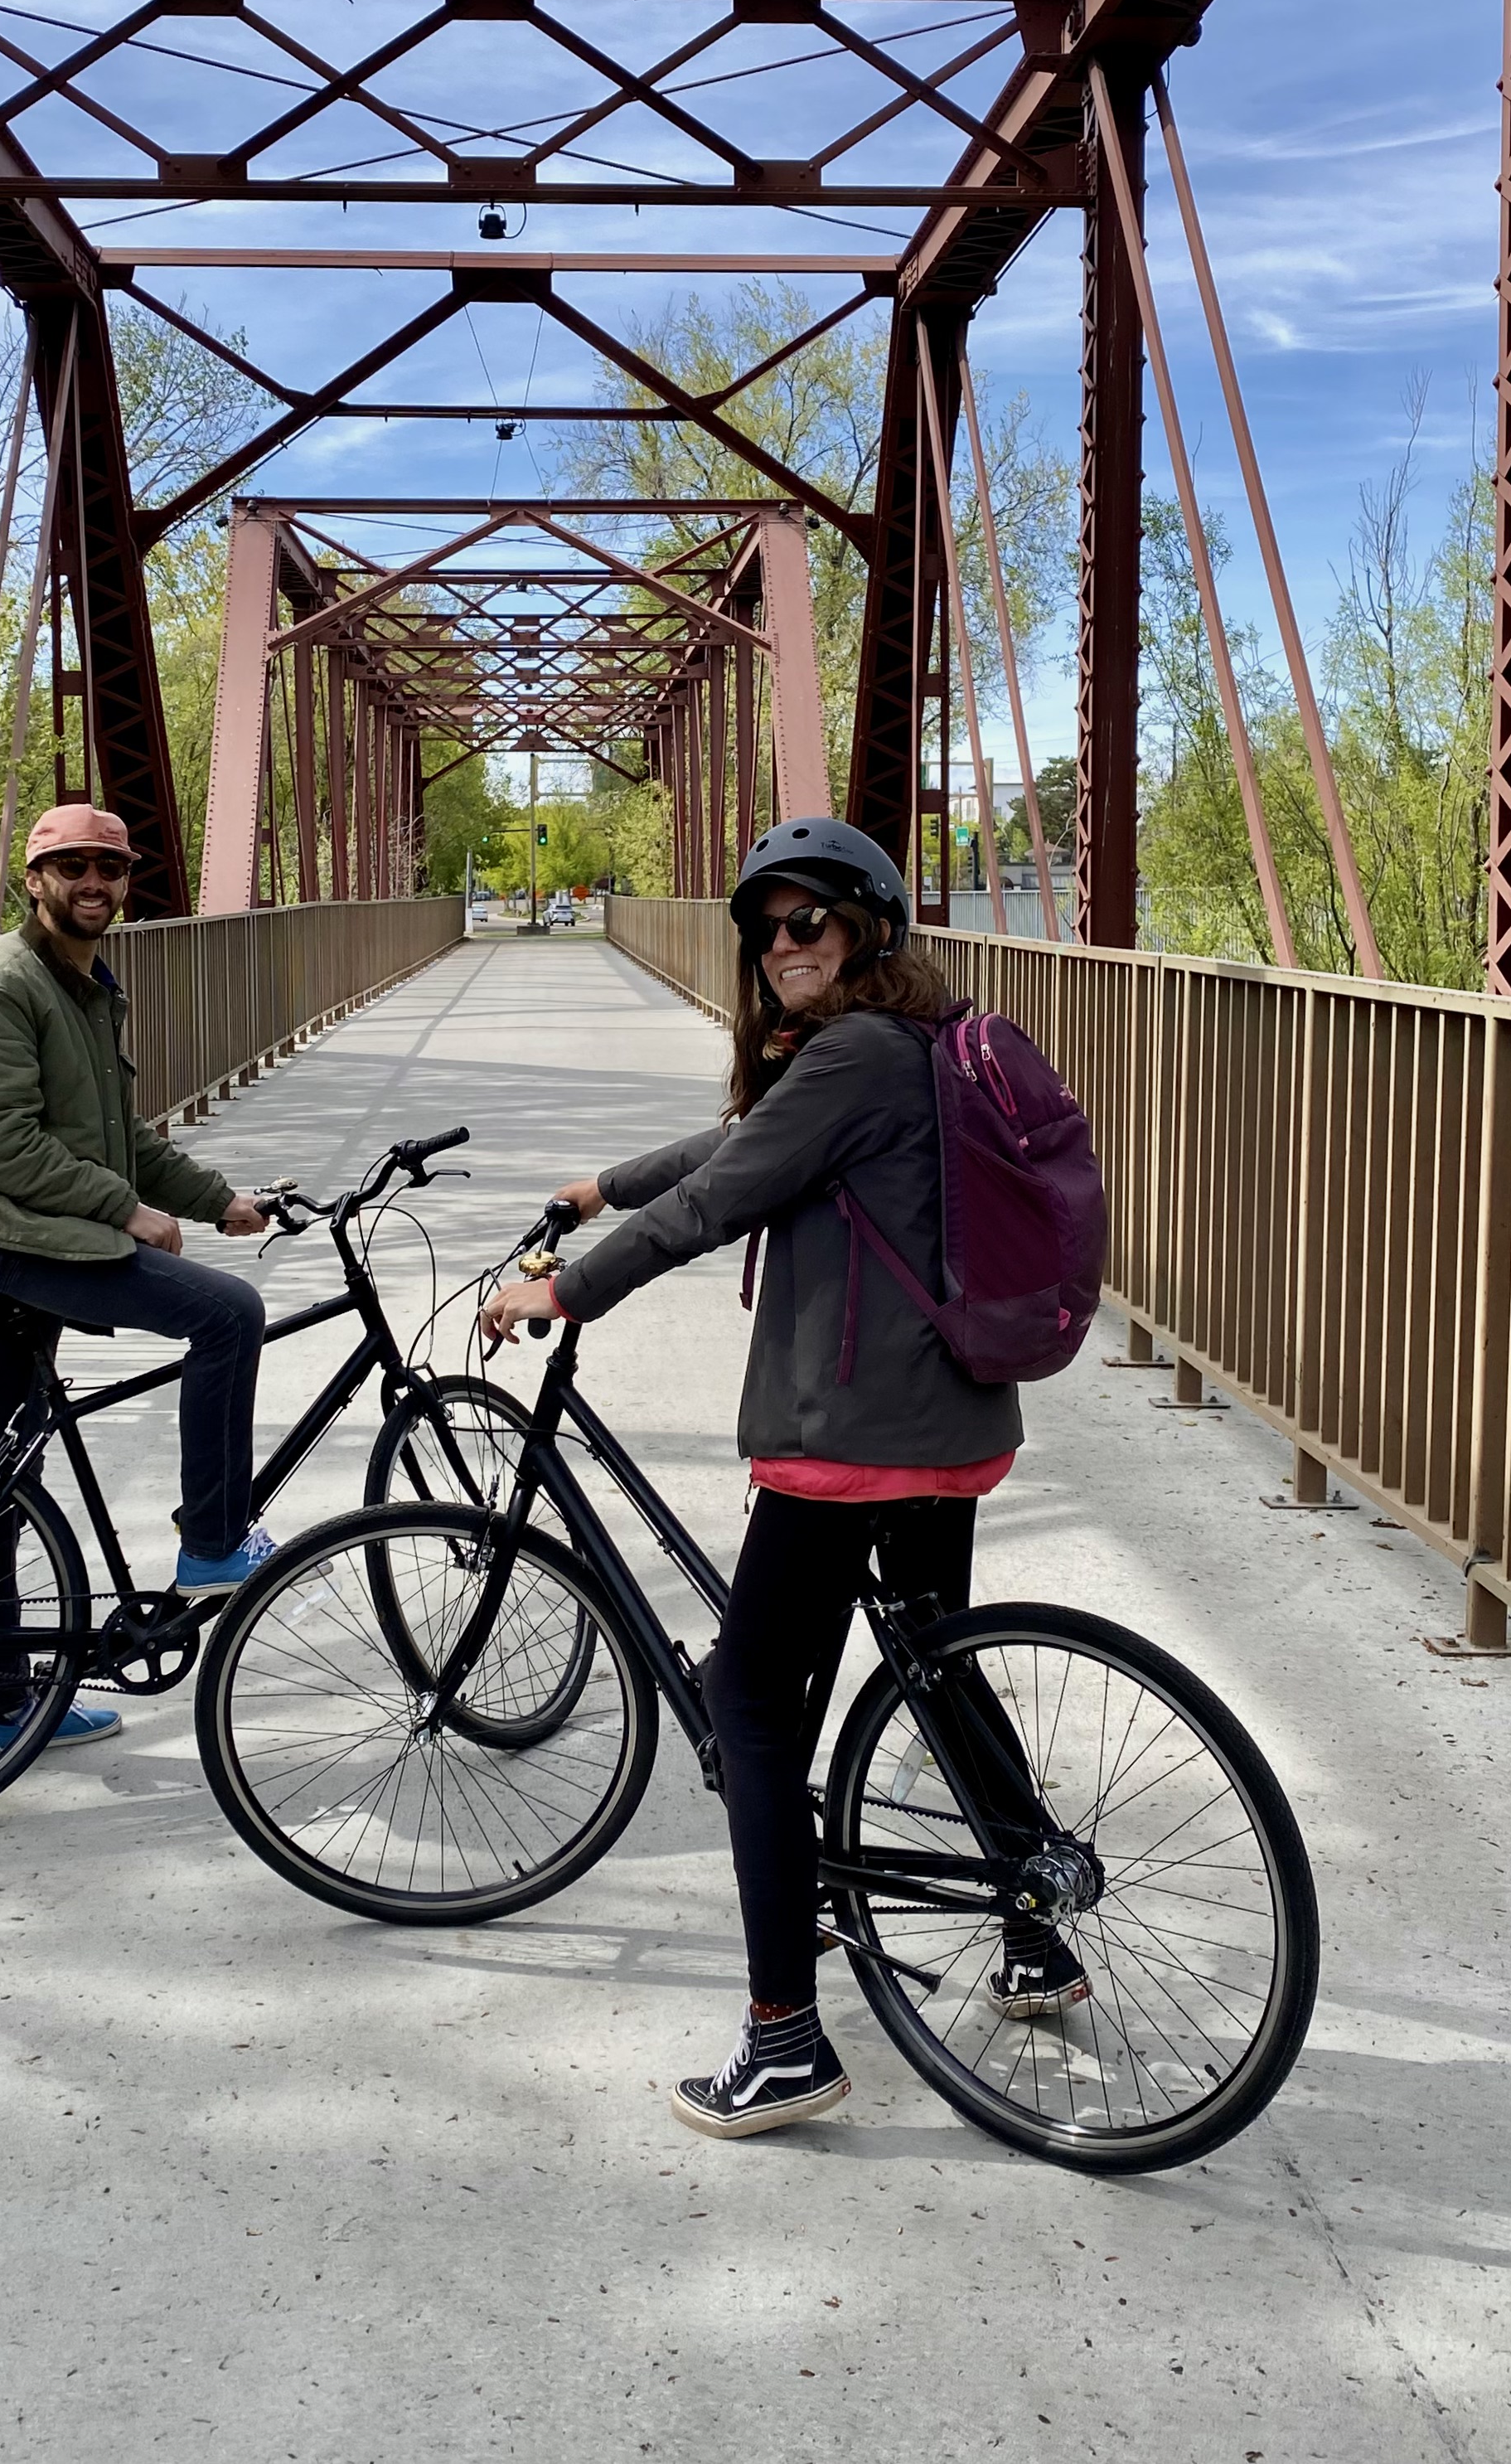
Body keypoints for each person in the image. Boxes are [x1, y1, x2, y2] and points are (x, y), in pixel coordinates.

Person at [478, 817, 1078, 2140]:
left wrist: (560, 1291)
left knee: (749, 1703)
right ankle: (1038, 1921)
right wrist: (597, 1187)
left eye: (810, 919)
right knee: (938, 1659)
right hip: (950, 1419)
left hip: (854, 1434)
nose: (781, 942)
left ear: (867, 928)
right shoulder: (904, 1043)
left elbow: (717, 1204)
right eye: (765, 924)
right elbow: (738, 1146)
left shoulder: (854, 1052)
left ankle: (783, 2041)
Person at [0, 803, 273, 1763]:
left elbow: (121, 1136)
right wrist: (124, 1212)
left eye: (109, 870)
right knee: (227, 1313)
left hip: (28, 1234)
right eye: (70, 867)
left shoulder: (84, 987)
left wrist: (217, 1200)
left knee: (1, 1476)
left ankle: (1, 1702)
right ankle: (213, 1540)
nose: (93, 885)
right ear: (34, 879)